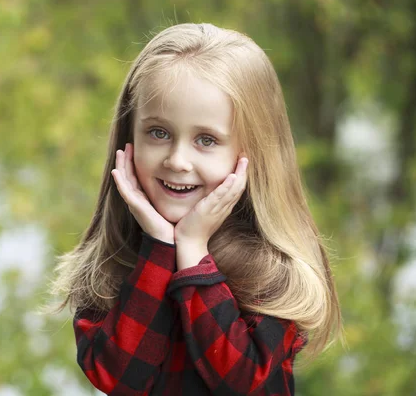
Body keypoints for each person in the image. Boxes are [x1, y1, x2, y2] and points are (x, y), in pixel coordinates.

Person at [49, 23, 343, 395]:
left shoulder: (272, 272)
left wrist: (193, 255)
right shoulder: (112, 264)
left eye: (206, 140)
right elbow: (118, 378)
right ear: (129, 137)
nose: (177, 160)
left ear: (252, 154)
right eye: (158, 132)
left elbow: (244, 384)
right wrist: (159, 247)